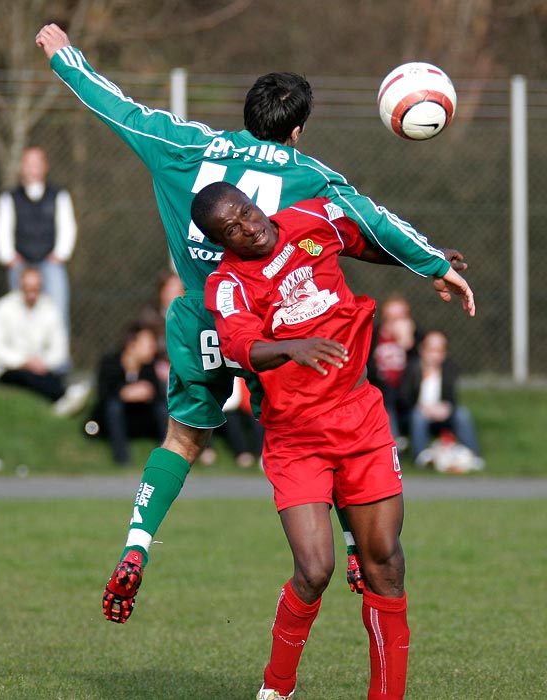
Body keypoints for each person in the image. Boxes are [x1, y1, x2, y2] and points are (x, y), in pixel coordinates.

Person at [35, 23, 468, 625]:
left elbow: (119, 109)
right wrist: (431, 262)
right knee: (324, 423)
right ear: (297, 129)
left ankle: (137, 543)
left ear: (247, 115)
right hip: (272, 322)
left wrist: (66, 59)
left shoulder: (184, 145)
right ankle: (350, 545)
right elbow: (371, 224)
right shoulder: (311, 175)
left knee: (184, 440)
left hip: (199, 316)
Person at [198, 182, 475, 700]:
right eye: (230, 230)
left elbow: (366, 240)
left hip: (359, 416)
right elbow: (240, 345)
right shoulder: (228, 283)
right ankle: (277, 688)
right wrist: (291, 347)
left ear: (253, 202)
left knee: (385, 563)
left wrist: (429, 261)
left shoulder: (310, 220)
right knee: (315, 569)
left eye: (246, 212)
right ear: (221, 241)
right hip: (296, 436)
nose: (247, 228)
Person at [0, 145, 78, 335]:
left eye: (37, 163)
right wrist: (9, 258)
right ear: (21, 167)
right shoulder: (9, 197)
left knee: (58, 310)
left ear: (45, 166)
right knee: (18, 314)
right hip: (20, 263)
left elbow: (67, 227)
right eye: (28, 163)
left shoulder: (59, 195)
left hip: (50, 263)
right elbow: (2, 230)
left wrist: (60, 255)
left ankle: (59, 361)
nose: (32, 168)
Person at [0, 266, 90, 415]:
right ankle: (62, 397)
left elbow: (59, 349)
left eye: (35, 288)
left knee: (45, 377)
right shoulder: (3, 308)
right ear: (19, 286)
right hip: (10, 369)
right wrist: (24, 362)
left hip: (42, 369)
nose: (31, 293)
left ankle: (63, 398)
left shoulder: (50, 309)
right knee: (25, 376)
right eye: (27, 288)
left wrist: (41, 363)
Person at [85, 323, 168, 466]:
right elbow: (103, 393)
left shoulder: (150, 366)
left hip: (141, 418)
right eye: (148, 343)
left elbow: (159, 396)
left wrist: (148, 392)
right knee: (113, 407)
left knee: (162, 409)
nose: (153, 347)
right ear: (132, 344)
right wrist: (124, 392)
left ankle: (168, 454)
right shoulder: (110, 361)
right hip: (113, 419)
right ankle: (122, 459)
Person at [398, 329, 482, 464]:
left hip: (440, 414)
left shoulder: (448, 370)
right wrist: (423, 407)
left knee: (462, 413)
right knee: (418, 416)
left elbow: (451, 399)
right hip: (417, 414)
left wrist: (445, 408)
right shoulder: (412, 369)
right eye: (431, 350)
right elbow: (403, 400)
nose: (434, 355)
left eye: (439, 350)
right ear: (422, 350)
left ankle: (473, 456)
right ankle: (421, 457)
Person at [367, 294, 421, 448]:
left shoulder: (415, 336)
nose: (395, 322)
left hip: (406, 390)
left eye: (400, 317)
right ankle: (393, 444)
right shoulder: (375, 334)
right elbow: (369, 365)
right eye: (391, 318)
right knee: (385, 397)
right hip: (381, 388)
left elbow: (419, 367)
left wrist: (407, 343)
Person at [136, 270, 185, 387]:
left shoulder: (190, 317)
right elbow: (144, 350)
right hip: (158, 370)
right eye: (171, 291)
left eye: (179, 291)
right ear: (161, 292)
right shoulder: (149, 318)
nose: (176, 295)